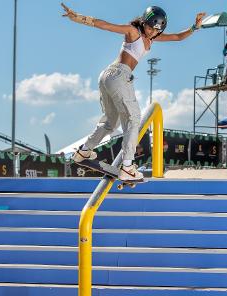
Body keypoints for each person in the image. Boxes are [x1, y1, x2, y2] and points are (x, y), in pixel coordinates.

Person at [64, 4, 205, 181]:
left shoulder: (152, 38)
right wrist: (78, 17)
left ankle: (84, 151)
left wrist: (195, 27)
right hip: (118, 75)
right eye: (149, 27)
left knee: (110, 122)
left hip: (108, 77)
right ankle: (128, 166)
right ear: (143, 22)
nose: (152, 32)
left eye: (156, 30)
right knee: (133, 119)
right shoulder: (133, 31)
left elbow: (177, 37)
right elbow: (105, 25)